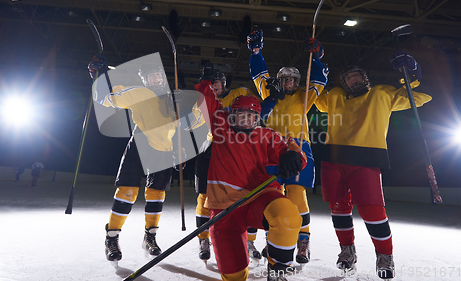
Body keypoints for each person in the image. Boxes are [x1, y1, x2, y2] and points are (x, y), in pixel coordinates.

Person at [314, 52, 432, 279]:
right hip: (333, 159)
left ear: (365, 78)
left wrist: (413, 73)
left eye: (357, 76)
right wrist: (317, 69)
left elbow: (420, 96)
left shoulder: (380, 94)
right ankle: (347, 251)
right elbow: (314, 100)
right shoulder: (335, 96)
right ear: (344, 83)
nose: (353, 80)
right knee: (338, 210)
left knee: (372, 211)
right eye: (348, 78)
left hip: (366, 159)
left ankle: (384, 256)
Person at [195, 78, 308, 281]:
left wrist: (294, 155)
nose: (247, 120)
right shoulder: (220, 127)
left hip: (260, 197)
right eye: (241, 115)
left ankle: (278, 271)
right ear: (232, 116)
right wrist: (207, 81)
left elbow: (292, 150)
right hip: (224, 208)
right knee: (234, 275)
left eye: (252, 115)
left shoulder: (266, 135)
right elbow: (206, 97)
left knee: (288, 215)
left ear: (257, 118)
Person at [88, 54, 196, 263]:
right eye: (151, 77)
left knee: (156, 195)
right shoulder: (140, 93)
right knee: (127, 192)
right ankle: (111, 237)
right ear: (145, 80)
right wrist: (98, 76)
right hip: (140, 144)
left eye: (158, 76)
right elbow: (108, 98)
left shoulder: (174, 97)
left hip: (164, 150)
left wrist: (181, 146)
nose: (156, 80)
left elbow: (186, 126)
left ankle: (150, 237)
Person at [248, 30, 328, 264]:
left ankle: (303, 241)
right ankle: (271, 238)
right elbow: (258, 72)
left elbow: (320, 79)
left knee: (296, 193)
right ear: (280, 80)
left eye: (293, 80)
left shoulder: (305, 96)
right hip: (271, 148)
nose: (289, 83)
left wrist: (319, 56)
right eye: (285, 79)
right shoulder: (269, 93)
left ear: (298, 81)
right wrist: (256, 52)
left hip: (299, 148)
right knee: (270, 194)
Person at [194, 64, 264, 262]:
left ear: (223, 84)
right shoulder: (206, 98)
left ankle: (249, 240)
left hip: (234, 149)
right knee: (204, 196)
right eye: (212, 83)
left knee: (247, 195)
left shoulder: (239, 94)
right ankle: (203, 238)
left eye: (217, 82)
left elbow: (256, 110)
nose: (215, 86)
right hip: (210, 148)